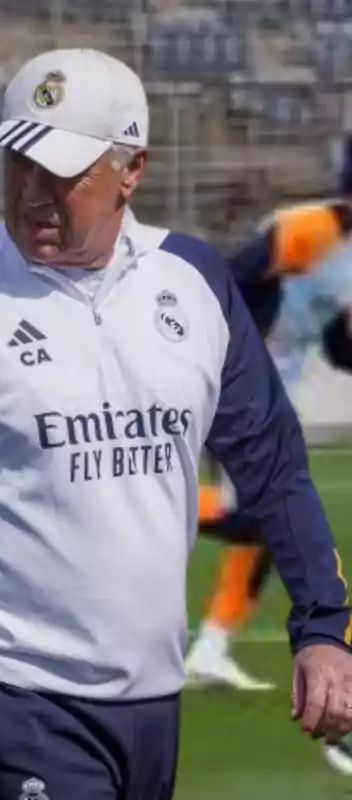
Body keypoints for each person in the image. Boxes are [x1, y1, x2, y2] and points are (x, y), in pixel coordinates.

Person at [0, 49, 352, 800]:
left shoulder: (196, 283)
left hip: (149, 698)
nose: (32, 192)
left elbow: (274, 468)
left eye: (61, 171)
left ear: (131, 169)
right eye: (19, 163)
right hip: (2, 687)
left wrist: (325, 627)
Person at [188, 161, 352, 692]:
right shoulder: (311, 230)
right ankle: (138, 500)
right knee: (267, 513)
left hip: (275, 386)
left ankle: (212, 647)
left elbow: (334, 346)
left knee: (260, 518)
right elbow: (227, 282)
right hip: (234, 373)